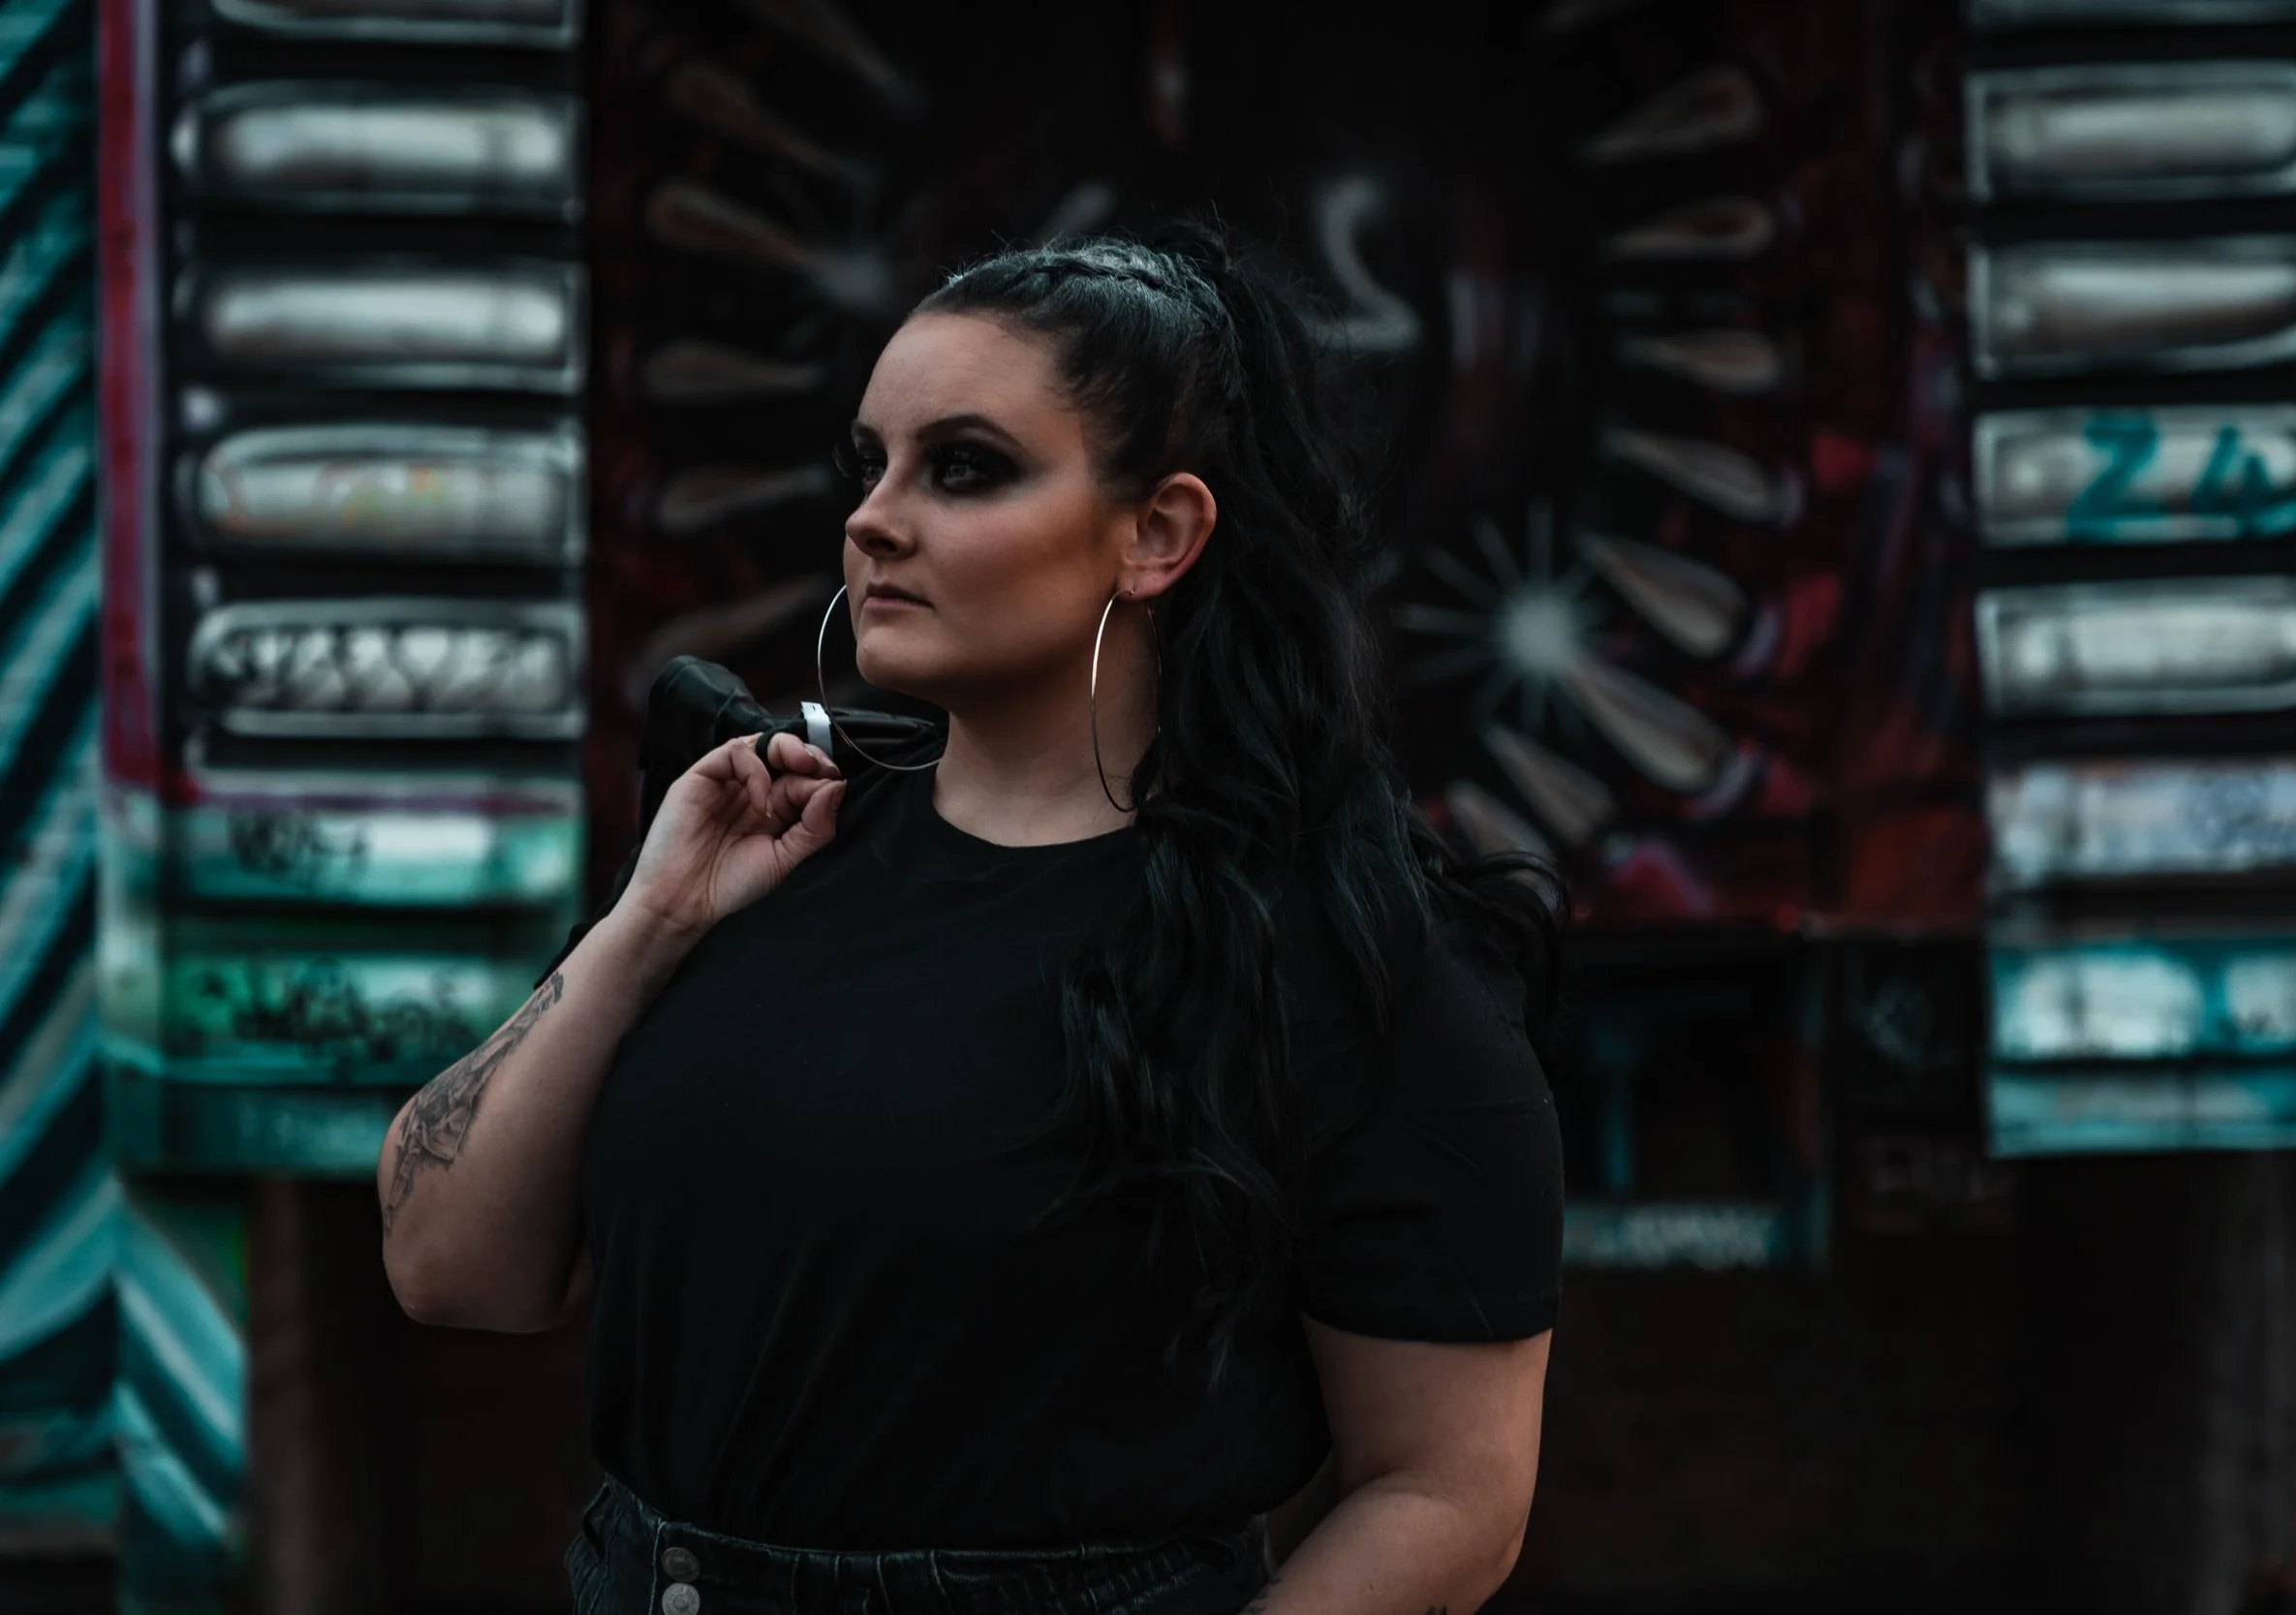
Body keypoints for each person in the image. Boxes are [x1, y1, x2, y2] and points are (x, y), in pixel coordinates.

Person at [375, 223, 1567, 1615]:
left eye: (963, 468)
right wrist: (647, 922)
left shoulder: (1338, 949)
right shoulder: (772, 845)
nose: (873, 518)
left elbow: (1447, 1493)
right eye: (868, 463)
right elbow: (449, 1266)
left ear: (1157, 535)